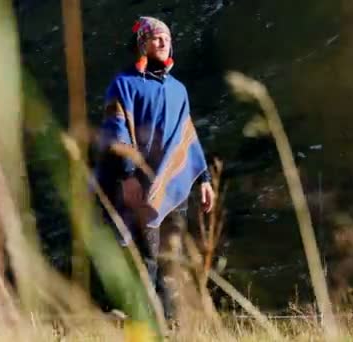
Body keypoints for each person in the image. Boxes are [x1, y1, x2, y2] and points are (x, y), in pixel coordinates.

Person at [95, 16, 215, 320]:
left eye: (166, 38)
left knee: (170, 258)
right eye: (155, 37)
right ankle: (137, 322)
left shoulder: (179, 90)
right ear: (141, 44)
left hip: (172, 187)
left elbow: (187, 136)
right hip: (135, 185)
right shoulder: (123, 84)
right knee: (143, 257)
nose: (162, 42)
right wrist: (127, 176)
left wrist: (203, 178)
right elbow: (116, 131)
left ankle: (170, 324)